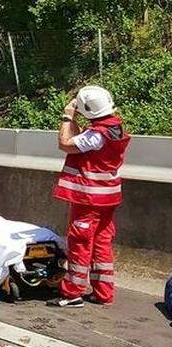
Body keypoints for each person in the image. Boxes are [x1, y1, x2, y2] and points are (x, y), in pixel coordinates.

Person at [49, 86, 130, 308]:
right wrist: (75, 119)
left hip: (89, 199)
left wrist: (67, 116)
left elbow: (65, 144)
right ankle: (104, 293)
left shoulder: (97, 135)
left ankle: (72, 293)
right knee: (102, 243)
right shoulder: (113, 128)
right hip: (108, 198)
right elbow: (79, 140)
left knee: (80, 242)